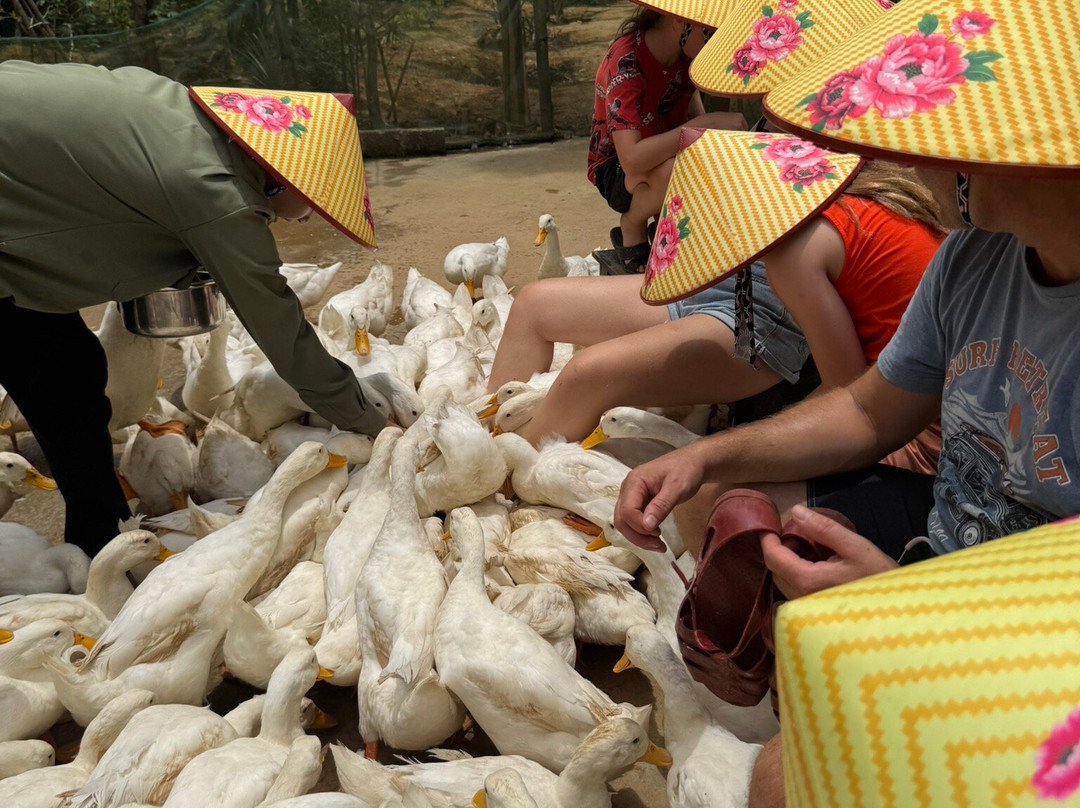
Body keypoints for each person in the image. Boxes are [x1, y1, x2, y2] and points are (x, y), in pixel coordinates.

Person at [610, 1, 1080, 803]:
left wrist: (908, 605)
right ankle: (790, 695)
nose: (914, 157)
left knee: (779, 780)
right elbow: (868, 411)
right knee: (718, 511)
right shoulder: (973, 258)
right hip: (951, 525)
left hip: (1034, 615)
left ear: (1034, 147)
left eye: (950, 130)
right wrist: (704, 454)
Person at [0, 62, 386, 556]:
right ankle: (99, 543)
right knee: (62, 375)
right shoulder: (218, 194)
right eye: (314, 201)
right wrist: (373, 425)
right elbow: (283, 333)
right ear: (284, 179)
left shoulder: (181, 113)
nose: (309, 215)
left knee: (67, 372)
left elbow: (106, 202)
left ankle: (101, 546)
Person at [488, 153, 943, 450]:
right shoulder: (801, 168)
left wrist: (728, 453)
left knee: (585, 375)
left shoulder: (799, 245)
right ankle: (485, 433)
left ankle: (501, 471)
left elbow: (846, 389)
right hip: (743, 277)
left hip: (770, 319)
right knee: (533, 302)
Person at [588, 6, 745, 274]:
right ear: (677, 20)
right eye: (709, 30)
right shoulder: (627, 63)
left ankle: (663, 223)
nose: (716, 39)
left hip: (662, 152)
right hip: (616, 169)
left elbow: (684, 94)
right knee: (674, 170)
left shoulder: (686, 57)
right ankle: (633, 223)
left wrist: (707, 132)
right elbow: (632, 160)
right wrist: (699, 127)